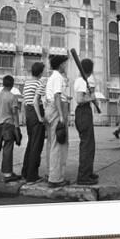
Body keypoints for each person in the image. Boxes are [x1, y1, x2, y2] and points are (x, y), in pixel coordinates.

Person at [44, 55, 70, 188]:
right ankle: (55, 179)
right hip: (56, 109)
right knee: (58, 144)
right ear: (60, 65)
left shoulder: (52, 77)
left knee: (51, 143)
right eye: (65, 64)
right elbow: (57, 96)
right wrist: (61, 116)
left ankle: (51, 173)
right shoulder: (58, 77)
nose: (66, 66)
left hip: (50, 108)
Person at [73, 58, 99, 185]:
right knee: (86, 145)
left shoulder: (83, 80)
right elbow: (79, 99)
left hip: (85, 112)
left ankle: (88, 172)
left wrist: (90, 98)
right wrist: (91, 98)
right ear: (90, 69)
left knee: (90, 145)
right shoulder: (81, 81)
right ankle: (83, 176)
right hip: (83, 112)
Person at [21, 62, 47, 183]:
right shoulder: (39, 83)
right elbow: (36, 101)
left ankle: (25, 172)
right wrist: (40, 118)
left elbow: (25, 101)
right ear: (41, 72)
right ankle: (32, 176)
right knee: (37, 145)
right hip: (36, 113)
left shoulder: (26, 83)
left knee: (31, 143)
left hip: (28, 113)